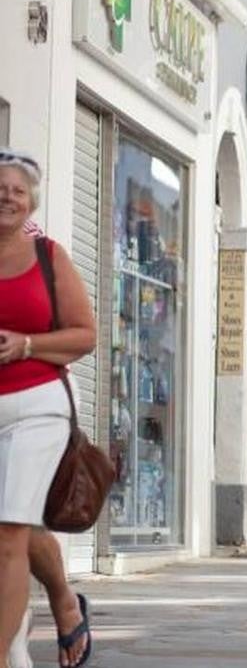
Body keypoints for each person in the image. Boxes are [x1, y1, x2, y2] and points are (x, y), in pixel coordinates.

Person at [0, 149, 96, 668]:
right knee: (14, 529)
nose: (6, 195)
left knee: (10, 529)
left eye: (16, 189)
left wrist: (26, 345)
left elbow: (85, 333)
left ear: (30, 200)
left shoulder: (45, 253)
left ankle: (11, 647)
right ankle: (49, 608)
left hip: (38, 402)